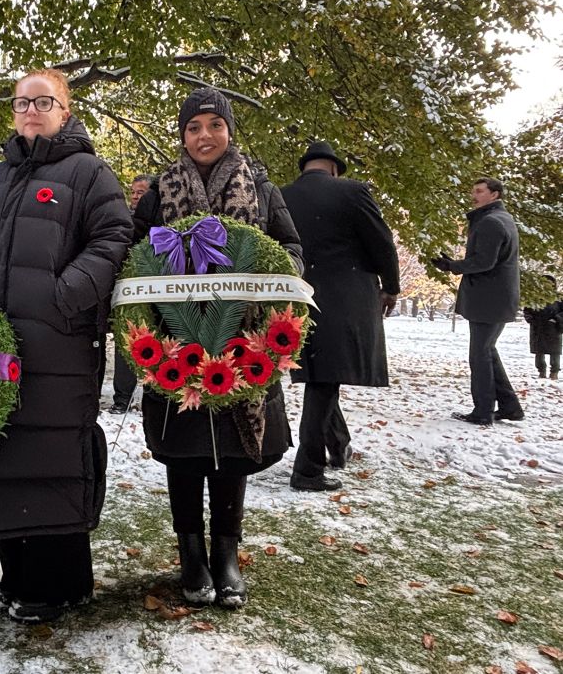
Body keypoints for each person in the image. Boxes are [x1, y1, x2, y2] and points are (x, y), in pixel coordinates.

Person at [0, 68, 131, 624]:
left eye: (43, 101)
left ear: (65, 111)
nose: (31, 110)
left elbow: (114, 238)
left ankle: (62, 583)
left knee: (50, 454)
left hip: (57, 344)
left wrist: (64, 295)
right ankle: (16, 573)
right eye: (22, 102)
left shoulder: (90, 172)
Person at [132, 87, 302, 609]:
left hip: (242, 342)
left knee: (230, 454)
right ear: (182, 136)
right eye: (193, 127)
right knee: (183, 454)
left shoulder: (264, 189)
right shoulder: (160, 191)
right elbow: (134, 255)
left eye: (214, 125)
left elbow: (292, 248)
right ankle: (190, 553)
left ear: (229, 131)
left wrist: (275, 273)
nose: (204, 136)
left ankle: (226, 553)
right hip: (177, 344)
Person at [281, 140, 399, 491]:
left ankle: (338, 444)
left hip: (295, 298)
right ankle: (308, 470)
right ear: (334, 167)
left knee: (320, 377)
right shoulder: (353, 192)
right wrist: (390, 286)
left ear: (305, 167)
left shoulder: (281, 195)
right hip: (343, 298)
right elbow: (381, 241)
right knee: (323, 381)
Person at [432, 177, 523, 423]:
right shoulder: (500, 219)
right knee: (487, 351)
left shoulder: (491, 222)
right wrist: (453, 264)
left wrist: (452, 266)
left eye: (480, 191)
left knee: (480, 355)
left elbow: (484, 262)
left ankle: (483, 412)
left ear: (494, 195)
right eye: (473, 191)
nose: (474, 195)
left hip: (489, 300)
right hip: (496, 298)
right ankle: (510, 407)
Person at [109, 176, 152, 414]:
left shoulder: (157, 219)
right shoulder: (121, 219)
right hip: (124, 290)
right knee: (123, 343)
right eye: (134, 192)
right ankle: (122, 398)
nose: (136, 196)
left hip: (149, 289)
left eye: (141, 192)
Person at [523, 277, 562, 380]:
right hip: (538, 328)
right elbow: (527, 311)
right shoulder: (534, 297)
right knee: (539, 352)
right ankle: (541, 372)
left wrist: (556, 319)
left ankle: (554, 372)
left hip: (553, 329)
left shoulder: (559, 298)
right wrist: (533, 321)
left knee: (554, 352)